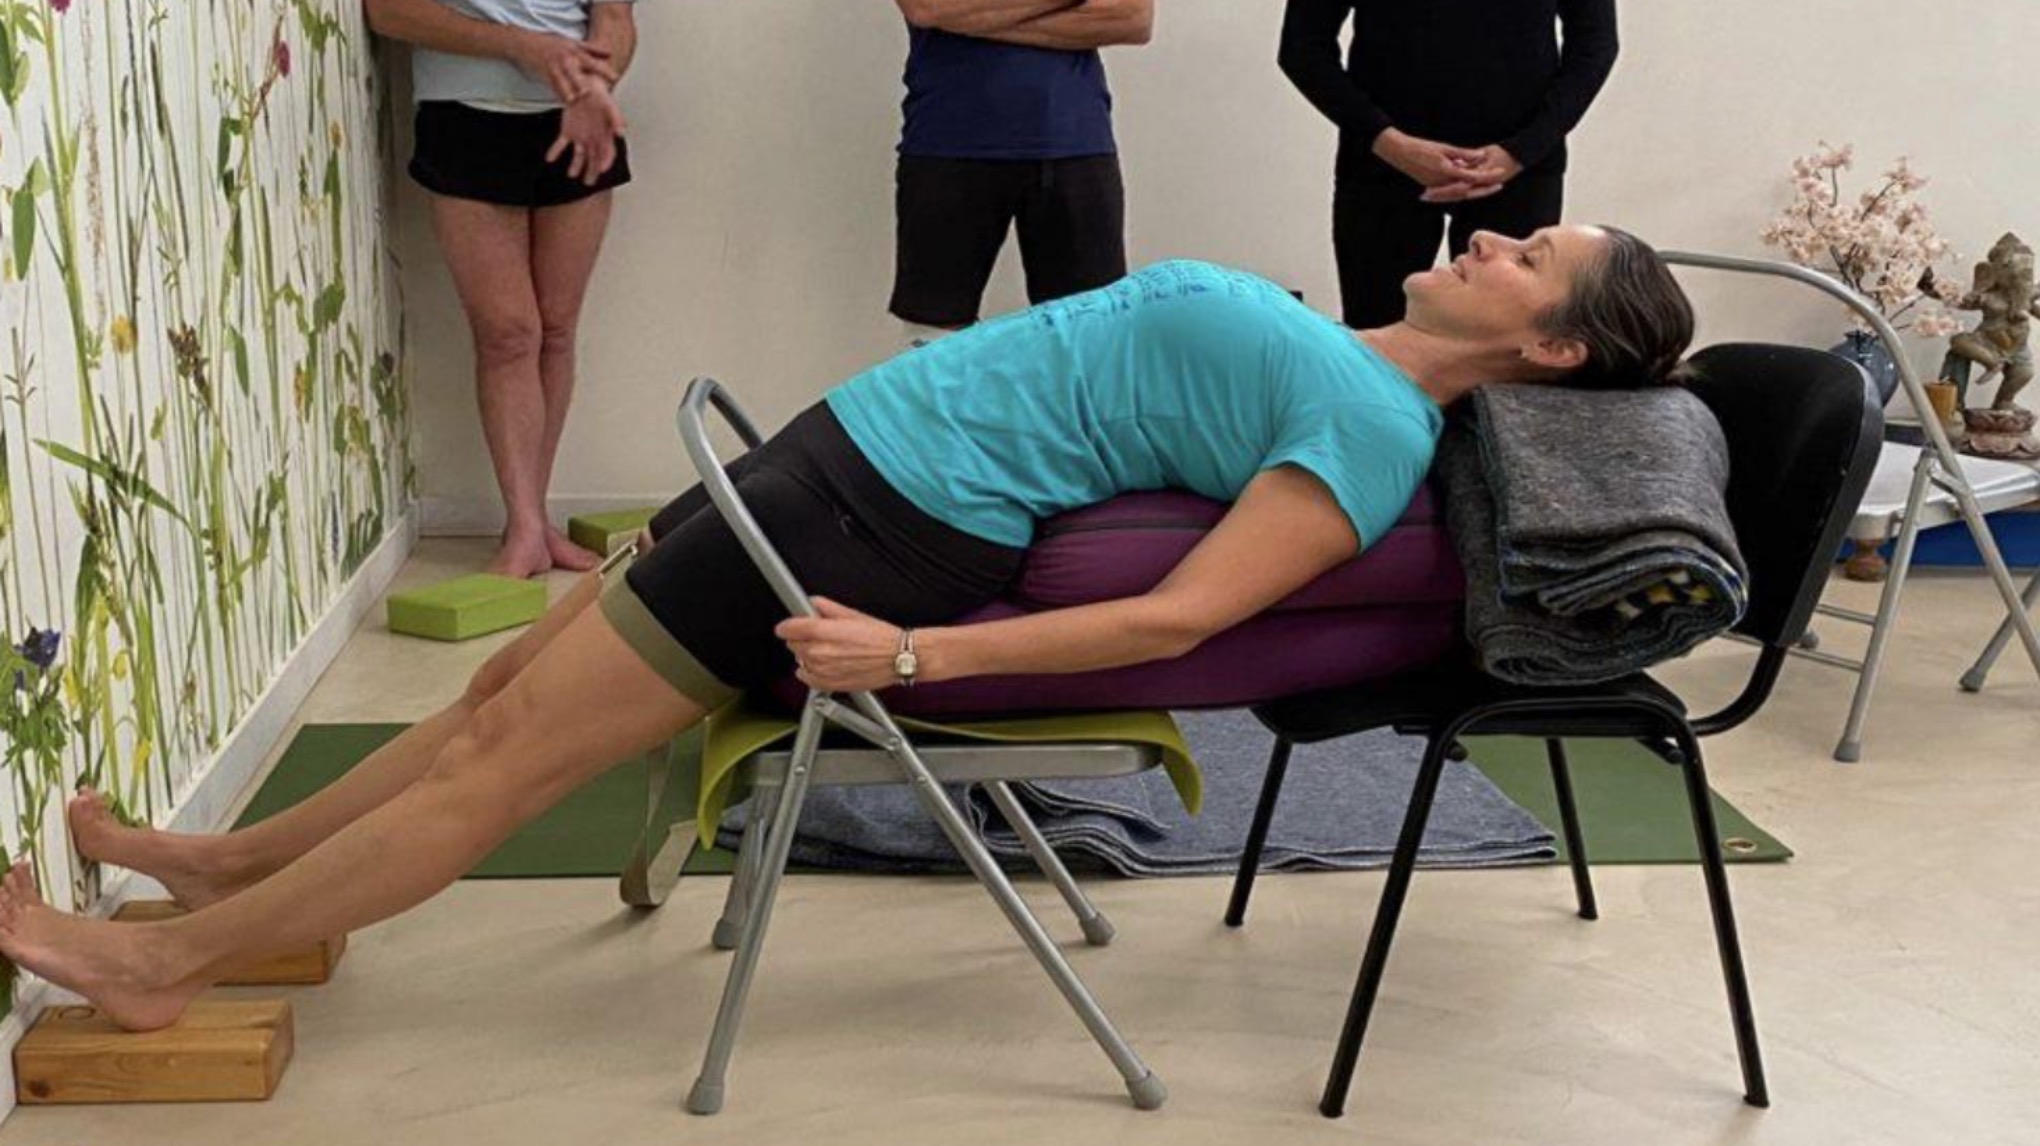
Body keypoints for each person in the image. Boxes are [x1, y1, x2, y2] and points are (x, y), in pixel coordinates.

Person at [17, 225, 1696, 1032]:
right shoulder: (1349, 359)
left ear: (1555, 347)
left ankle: (158, 968)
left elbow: (1186, 615)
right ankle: (231, 874)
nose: (1495, 235)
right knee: (503, 682)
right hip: (839, 458)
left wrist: (911, 659)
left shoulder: (1372, 433)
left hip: (877, 524)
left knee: (510, 757)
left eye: (1533, 253)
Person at [366, 0, 639, 577]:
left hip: (578, 118)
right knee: (508, 335)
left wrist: (594, 88)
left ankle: (534, 522)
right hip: (464, 116)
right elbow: (388, 12)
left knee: (556, 330)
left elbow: (615, 19)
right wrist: (520, 45)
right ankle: (523, 526)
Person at [1278, 0, 1619, 329]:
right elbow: (1302, 47)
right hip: (1384, 169)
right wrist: (1388, 142)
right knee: (1377, 336)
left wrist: (1522, 150)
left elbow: (1595, 45)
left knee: (1505, 340)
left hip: (1517, 173)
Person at [888, 0, 1154, 336]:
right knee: (933, 338)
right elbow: (928, 8)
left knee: (1090, 338)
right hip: (948, 141)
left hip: (1075, 142)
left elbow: (1134, 18)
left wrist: (976, 19)